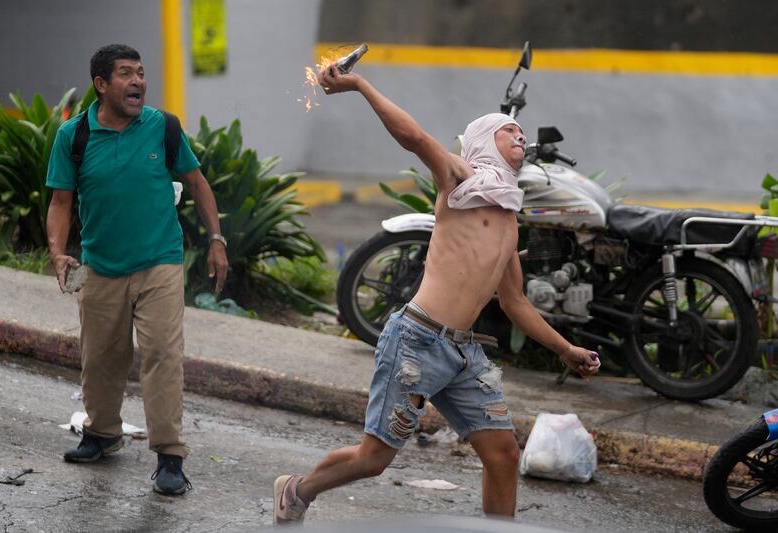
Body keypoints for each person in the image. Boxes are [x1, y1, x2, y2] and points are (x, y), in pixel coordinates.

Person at [273, 67, 600, 523]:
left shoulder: (508, 218)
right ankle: (297, 489)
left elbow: (515, 303)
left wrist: (566, 350)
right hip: (417, 340)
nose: (521, 136)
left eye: (523, 133)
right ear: (486, 141)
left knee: (503, 454)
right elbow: (414, 136)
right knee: (374, 460)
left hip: (463, 354)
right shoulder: (461, 179)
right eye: (511, 130)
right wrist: (360, 85)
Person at [45, 44, 228, 495]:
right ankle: (103, 433)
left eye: (142, 74)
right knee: (101, 357)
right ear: (101, 85)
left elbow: (197, 182)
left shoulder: (163, 127)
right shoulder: (74, 135)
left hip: (159, 263)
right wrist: (57, 251)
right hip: (101, 265)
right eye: (126, 74)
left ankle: (169, 456)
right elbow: (60, 202)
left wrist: (217, 239)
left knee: (163, 356)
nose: (139, 82)